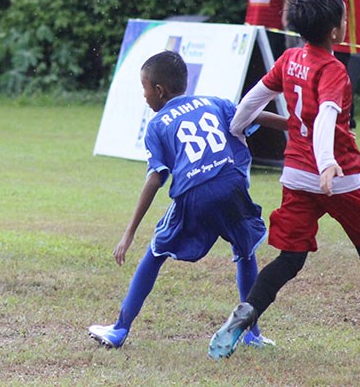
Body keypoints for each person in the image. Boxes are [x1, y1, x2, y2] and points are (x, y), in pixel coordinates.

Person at [208, 0, 360, 359]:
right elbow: (327, 115)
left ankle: (246, 312)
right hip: (338, 177)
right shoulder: (333, 70)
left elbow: (254, 98)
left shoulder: (289, 58)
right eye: (344, 19)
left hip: (296, 175)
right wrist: (327, 161)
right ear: (335, 32)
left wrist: (237, 126)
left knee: (290, 259)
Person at [87, 50, 281, 349]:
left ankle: (119, 329)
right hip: (231, 183)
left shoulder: (157, 124)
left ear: (159, 90)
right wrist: (297, 125)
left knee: (156, 252)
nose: (144, 96)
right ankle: (252, 334)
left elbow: (156, 179)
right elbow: (252, 115)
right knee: (245, 252)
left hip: (194, 191)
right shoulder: (214, 102)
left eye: (144, 88)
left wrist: (130, 232)